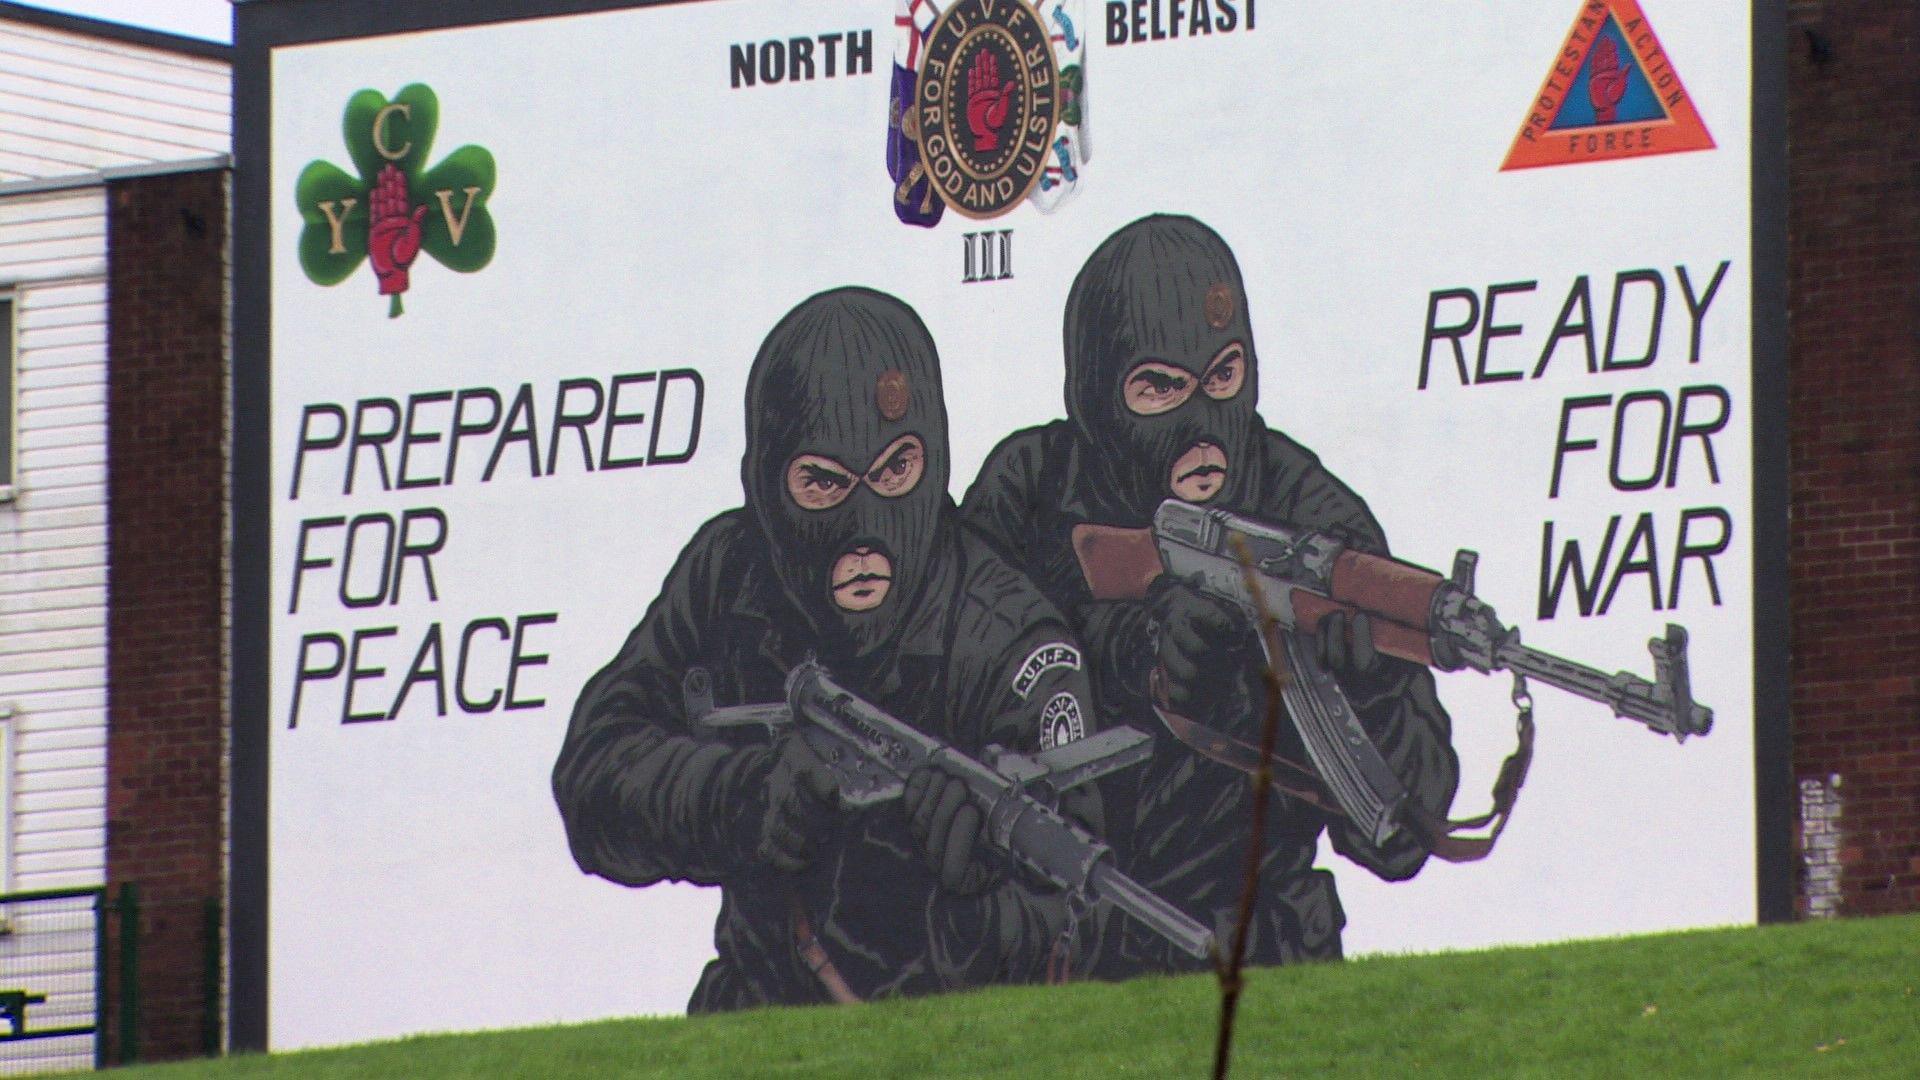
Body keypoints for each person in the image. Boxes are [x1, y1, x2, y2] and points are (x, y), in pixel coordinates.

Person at [553, 287, 1100, 1010]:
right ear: (769, 484)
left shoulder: (1011, 641)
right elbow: (595, 773)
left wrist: (975, 904)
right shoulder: (733, 570)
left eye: (895, 472)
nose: (865, 521)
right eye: (823, 483)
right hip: (757, 1012)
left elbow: (1081, 930)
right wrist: (742, 798)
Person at [960, 214, 1460, 974]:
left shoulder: (1312, 518)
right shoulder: (1028, 491)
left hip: (1262, 947)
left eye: (1222, 378)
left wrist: (1378, 694)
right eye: (1158, 389)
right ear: (1097, 393)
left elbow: (1401, 841)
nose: (1202, 423)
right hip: (1068, 944)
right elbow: (956, 698)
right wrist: (1130, 646)